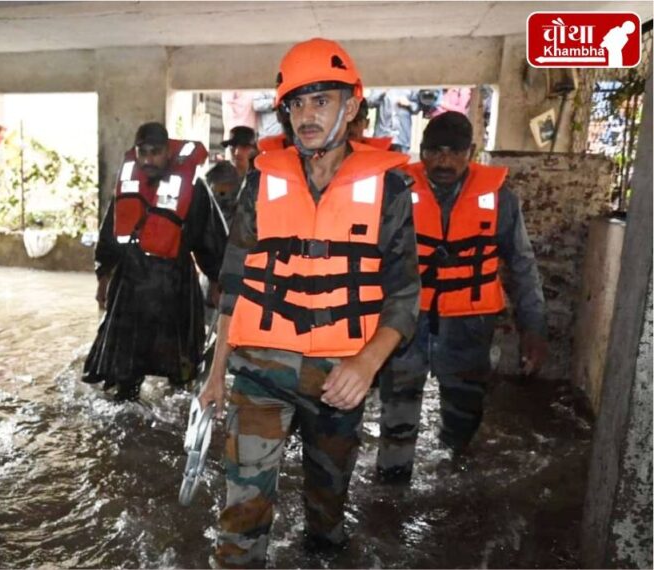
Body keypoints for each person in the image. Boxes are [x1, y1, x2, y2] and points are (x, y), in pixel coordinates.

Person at [199, 38, 420, 567]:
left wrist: (366, 365)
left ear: (351, 106)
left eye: (321, 100)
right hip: (259, 371)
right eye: (296, 103)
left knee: (327, 513)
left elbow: (405, 297)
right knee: (241, 514)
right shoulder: (261, 182)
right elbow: (234, 284)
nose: (307, 115)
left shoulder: (388, 189)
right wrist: (215, 373)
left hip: (338, 378)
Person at [376, 111, 547, 482]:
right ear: (421, 152)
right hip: (407, 320)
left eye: (454, 152)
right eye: (435, 151)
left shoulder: (501, 201)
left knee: (464, 413)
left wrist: (533, 328)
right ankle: (391, 487)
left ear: (471, 152)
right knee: (397, 409)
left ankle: (455, 480)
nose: (444, 160)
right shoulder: (396, 192)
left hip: (469, 323)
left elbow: (522, 264)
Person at [82, 122, 227, 401]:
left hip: (176, 284)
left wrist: (218, 281)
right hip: (130, 282)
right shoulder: (127, 187)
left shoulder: (194, 190)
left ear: (168, 153)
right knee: (123, 374)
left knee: (181, 371)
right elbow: (109, 237)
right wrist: (103, 277)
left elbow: (210, 238)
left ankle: (179, 417)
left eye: (155, 152)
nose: (148, 159)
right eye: (143, 152)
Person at [366, 88, 421, 153]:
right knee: (381, 162)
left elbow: (417, 108)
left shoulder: (410, 86)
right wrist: (382, 92)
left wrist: (408, 104)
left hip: (401, 137)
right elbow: (369, 103)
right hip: (382, 136)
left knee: (400, 162)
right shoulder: (381, 85)